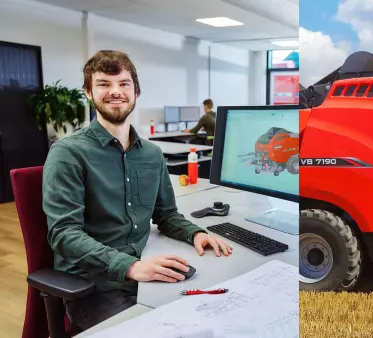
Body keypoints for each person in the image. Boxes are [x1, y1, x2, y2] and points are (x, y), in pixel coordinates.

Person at [42, 50, 233, 331]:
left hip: (146, 275)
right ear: (88, 92)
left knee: (216, 320)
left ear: (136, 92)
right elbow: (63, 234)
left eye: (124, 83)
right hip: (96, 288)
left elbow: (166, 215)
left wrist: (196, 233)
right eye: (104, 84)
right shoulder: (68, 153)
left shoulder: (152, 155)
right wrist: (130, 267)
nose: (115, 91)